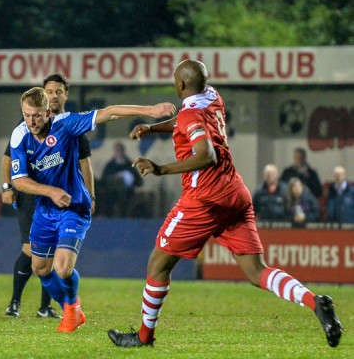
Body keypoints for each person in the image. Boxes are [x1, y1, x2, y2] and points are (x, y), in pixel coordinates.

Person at [107, 60, 342, 349]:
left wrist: (160, 168)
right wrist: (153, 128)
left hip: (204, 200)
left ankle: (143, 338)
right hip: (235, 193)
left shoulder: (189, 115)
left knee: (157, 264)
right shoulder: (212, 96)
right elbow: (185, 121)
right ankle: (314, 301)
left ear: (180, 85)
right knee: (257, 271)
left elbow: (207, 155)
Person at [10, 87, 175, 333]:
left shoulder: (66, 124)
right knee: (40, 268)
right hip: (45, 210)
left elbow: (109, 113)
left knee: (62, 267)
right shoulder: (19, 136)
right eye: (26, 115)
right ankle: (70, 307)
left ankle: (72, 308)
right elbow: (19, 180)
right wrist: (51, 192)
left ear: (47, 112)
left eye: (36, 115)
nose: (31, 121)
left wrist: (150, 111)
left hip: (74, 206)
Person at [1, 73, 95, 318]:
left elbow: (85, 163)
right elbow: (9, 161)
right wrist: (6, 187)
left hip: (66, 200)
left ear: (64, 95)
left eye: (58, 91)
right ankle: (15, 302)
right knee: (32, 253)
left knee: (57, 263)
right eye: (49, 90)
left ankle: (51, 307)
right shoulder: (23, 128)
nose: (53, 95)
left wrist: (91, 196)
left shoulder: (70, 127)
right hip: (33, 197)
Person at [100, 141, 143, 217]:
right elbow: (103, 180)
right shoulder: (110, 165)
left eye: (120, 150)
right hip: (111, 193)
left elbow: (139, 181)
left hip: (128, 193)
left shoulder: (129, 165)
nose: (119, 152)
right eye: (117, 150)